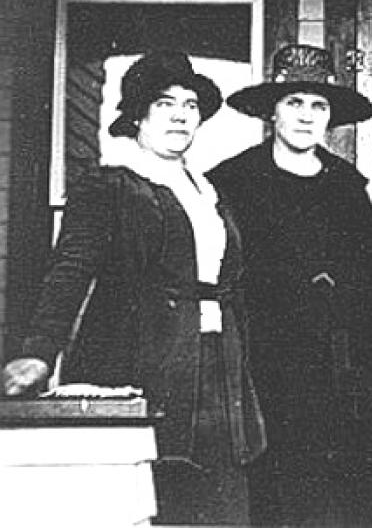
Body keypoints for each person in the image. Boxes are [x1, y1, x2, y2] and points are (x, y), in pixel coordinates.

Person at [1, 51, 266, 525]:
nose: (182, 114)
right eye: (166, 103)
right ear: (138, 114)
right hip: (140, 361)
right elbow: (69, 270)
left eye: (190, 105)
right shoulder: (112, 186)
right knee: (144, 500)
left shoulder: (209, 192)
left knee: (219, 503)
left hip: (216, 371)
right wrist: (40, 351)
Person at [206, 44, 372, 527]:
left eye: (318, 105)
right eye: (294, 103)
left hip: (332, 376)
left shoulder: (348, 186)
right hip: (258, 371)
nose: (306, 116)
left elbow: (367, 280)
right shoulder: (232, 182)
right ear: (272, 112)